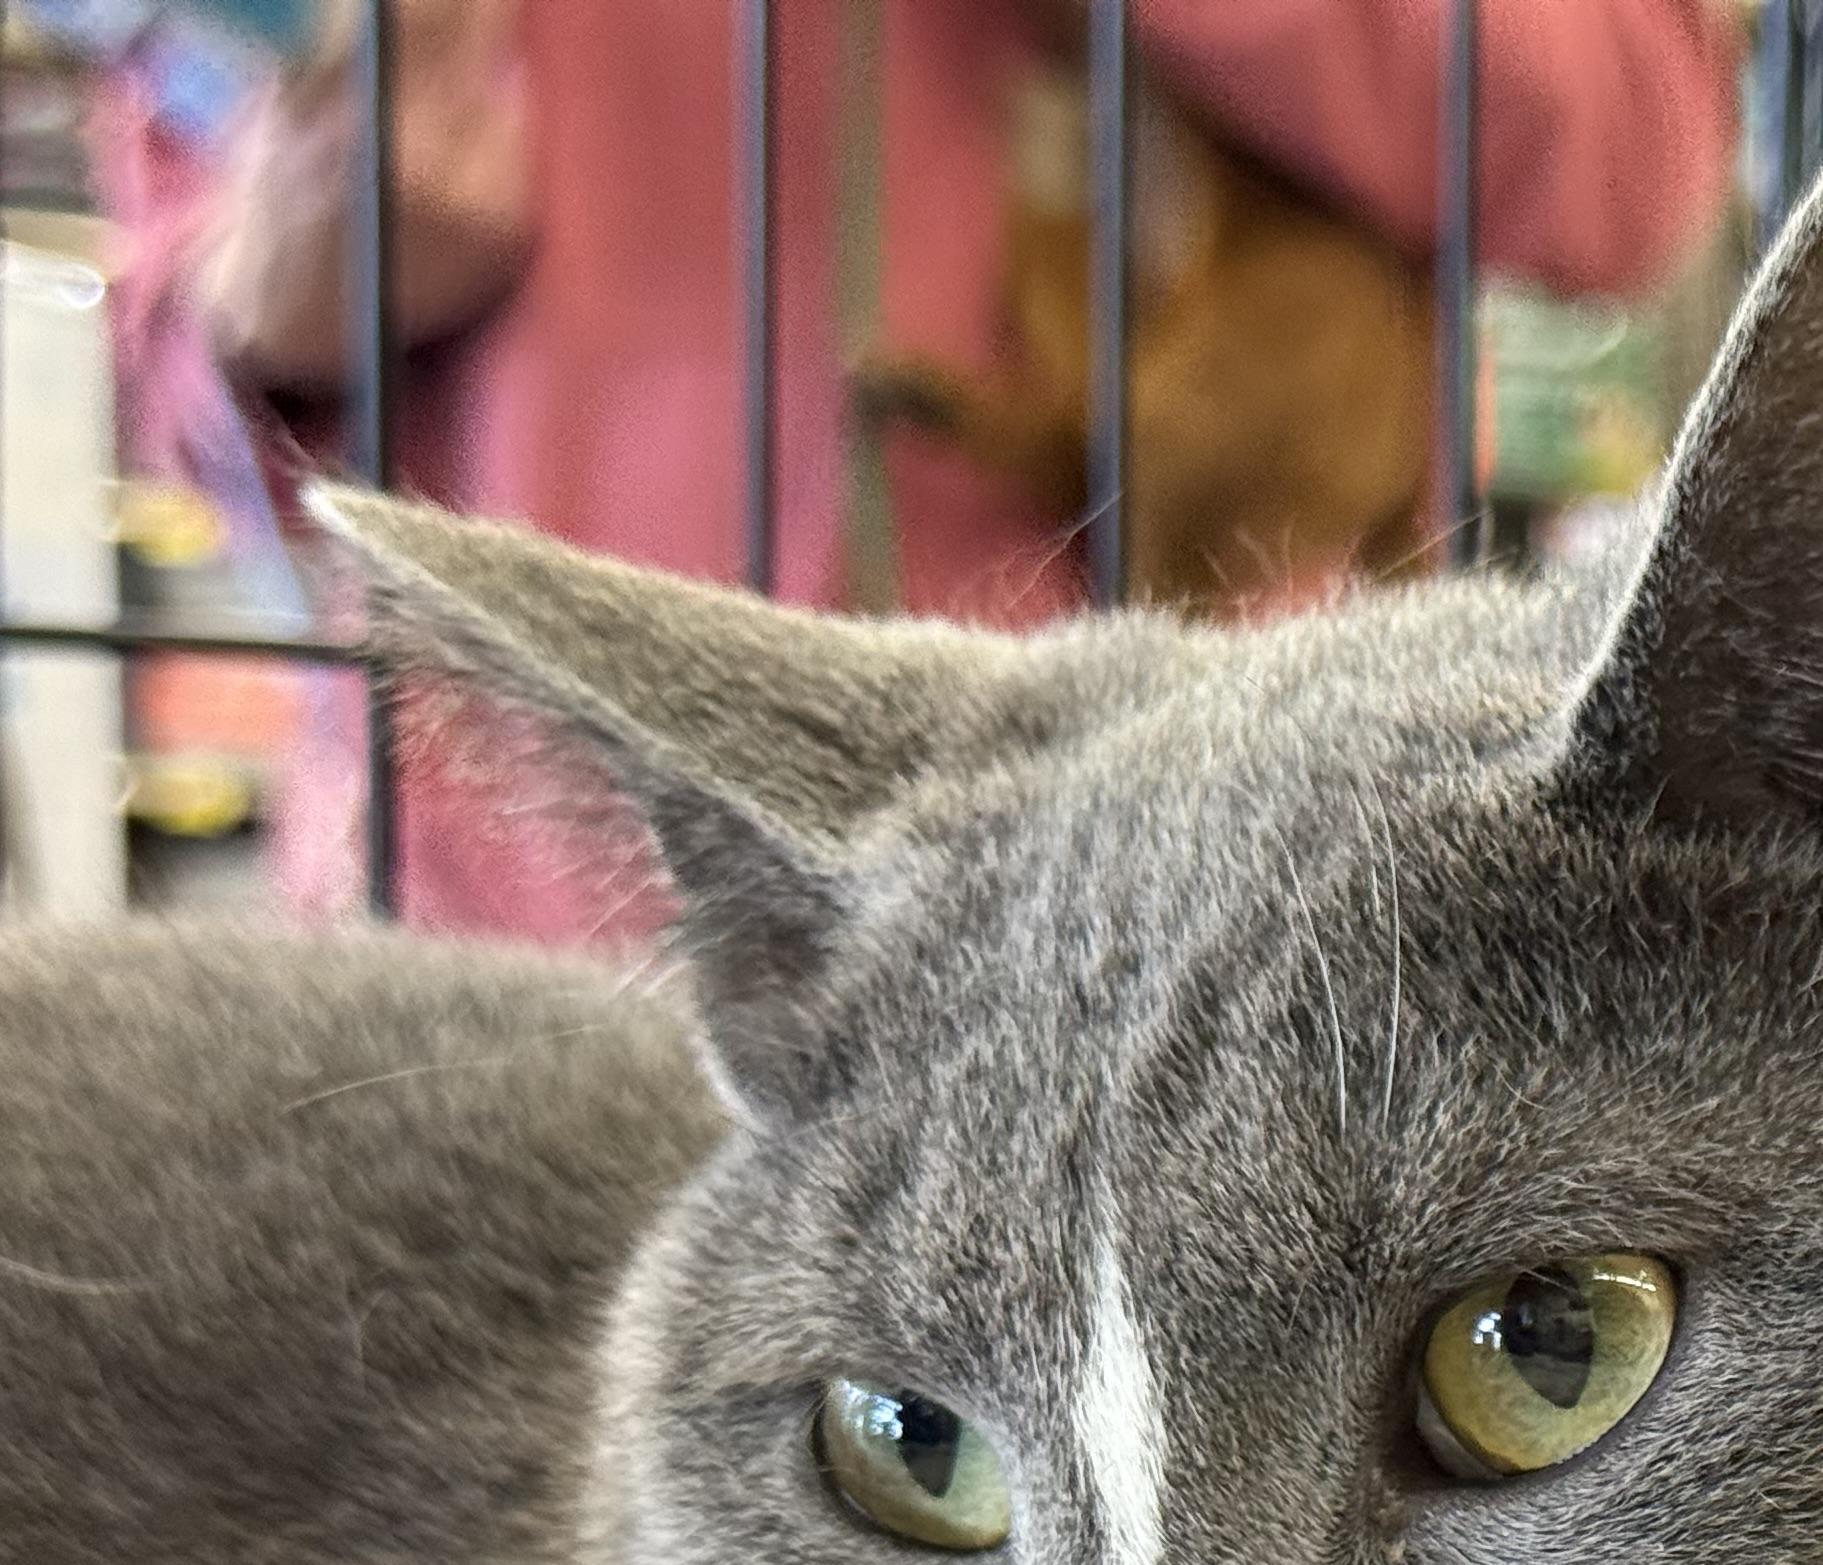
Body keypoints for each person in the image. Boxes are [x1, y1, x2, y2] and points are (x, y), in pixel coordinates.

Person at [85, 0, 1739, 939]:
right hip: (517, 868)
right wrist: (278, 286)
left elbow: (1623, 167)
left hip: (1184, 875)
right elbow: (172, 334)